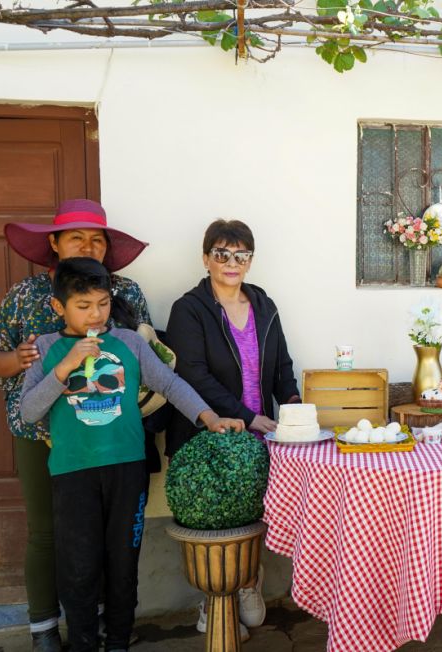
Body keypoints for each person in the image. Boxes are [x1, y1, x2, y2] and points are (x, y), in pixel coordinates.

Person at [19, 257, 245, 652]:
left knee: (123, 565)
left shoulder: (129, 343)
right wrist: (65, 368)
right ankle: (84, 643)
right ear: (59, 307)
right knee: (79, 568)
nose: (96, 314)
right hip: (73, 474)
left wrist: (209, 417)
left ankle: (119, 641)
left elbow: (171, 384)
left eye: (103, 303)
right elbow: (28, 411)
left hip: (126, 470)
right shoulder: (46, 348)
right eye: (83, 306)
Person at [0, 199, 151, 652]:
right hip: (40, 433)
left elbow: (149, 358)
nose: (88, 245)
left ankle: (105, 628)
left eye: (97, 238)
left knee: (109, 543)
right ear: (54, 243)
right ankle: (45, 630)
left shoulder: (127, 293)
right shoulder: (24, 294)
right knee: (49, 533)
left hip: (110, 433)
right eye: (77, 237)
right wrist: (15, 360)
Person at [165, 219, 301, 636]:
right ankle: (214, 601)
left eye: (241, 255)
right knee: (217, 519)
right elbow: (193, 374)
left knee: (255, 515)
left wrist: (293, 405)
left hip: (262, 434)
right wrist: (244, 416)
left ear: (250, 261)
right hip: (209, 437)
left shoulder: (264, 305)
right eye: (222, 254)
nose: (231, 263)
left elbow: (281, 366)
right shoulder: (189, 309)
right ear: (206, 259)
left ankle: (247, 582)